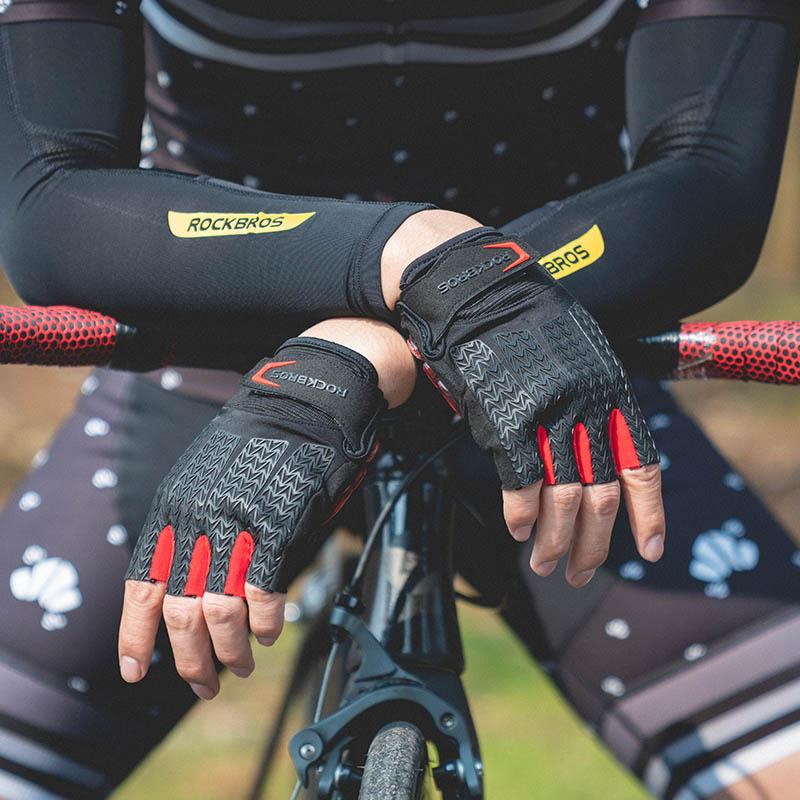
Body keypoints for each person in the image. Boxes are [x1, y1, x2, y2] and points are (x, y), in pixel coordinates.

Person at [0, 0, 797, 798]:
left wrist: (393, 332)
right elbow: (50, 201)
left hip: (548, 370)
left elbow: (710, 174)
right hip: (245, 383)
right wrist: (420, 261)